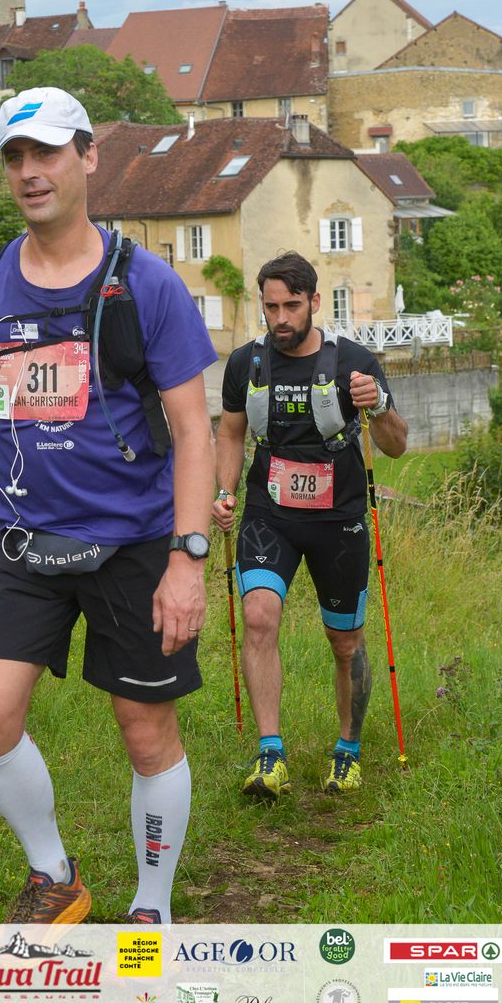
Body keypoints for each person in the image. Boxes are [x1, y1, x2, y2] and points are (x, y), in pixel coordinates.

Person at [0, 87, 217, 924]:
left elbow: (194, 432)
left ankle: (151, 907)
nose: (29, 172)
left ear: (88, 156)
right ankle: (56, 875)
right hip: (24, 541)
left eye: (46, 152)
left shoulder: (146, 285)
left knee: (145, 732)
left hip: (135, 543)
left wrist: (188, 560)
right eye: (14, 157)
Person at [212, 251, 407, 797]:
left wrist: (379, 405)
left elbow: (396, 445)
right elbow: (230, 432)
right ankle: (269, 754)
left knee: (344, 643)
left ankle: (347, 750)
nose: (280, 318)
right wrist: (224, 492)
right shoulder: (245, 364)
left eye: (291, 306)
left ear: (315, 302)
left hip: (338, 519)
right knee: (259, 617)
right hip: (268, 514)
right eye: (271, 306)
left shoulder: (354, 362)